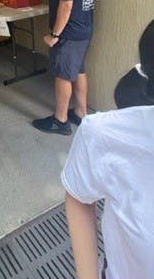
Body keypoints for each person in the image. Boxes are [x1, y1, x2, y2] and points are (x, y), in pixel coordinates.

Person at [61, 20, 154, 279]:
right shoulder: (105, 134)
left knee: (70, 70)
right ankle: (75, 111)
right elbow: (78, 196)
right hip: (79, 34)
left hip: (71, 35)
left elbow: (66, 7)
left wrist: (56, 33)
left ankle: (66, 115)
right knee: (76, 69)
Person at [32, 0, 94, 135]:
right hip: (84, 28)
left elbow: (66, 5)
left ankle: (60, 120)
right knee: (78, 71)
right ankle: (80, 112)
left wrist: (55, 34)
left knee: (62, 75)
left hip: (69, 33)